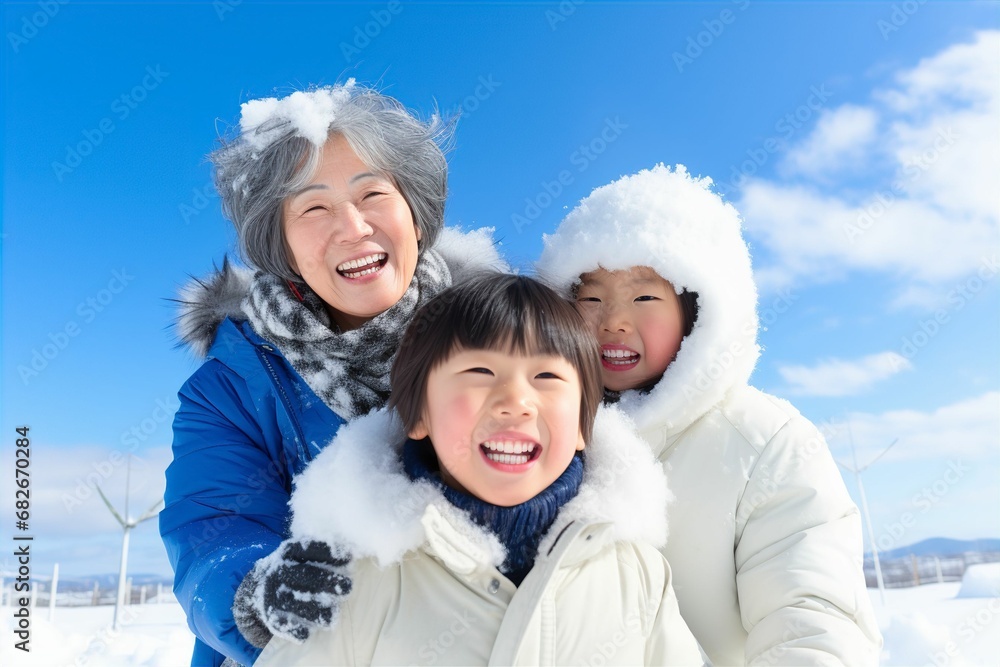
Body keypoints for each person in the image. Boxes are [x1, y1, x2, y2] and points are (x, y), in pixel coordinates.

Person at [159, 81, 505, 667]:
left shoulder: (510, 341)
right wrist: (254, 592)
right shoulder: (232, 387)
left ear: (416, 218)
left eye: (373, 194)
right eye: (313, 207)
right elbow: (212, 525)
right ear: (283, 248)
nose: (352, 227)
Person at [251, 273, 708, 666]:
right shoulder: (358, 575)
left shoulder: (636, 571)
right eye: (479, 373)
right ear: (419, 416)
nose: (515, 403)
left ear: (583, 426)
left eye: (547, 378)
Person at [537, 164, 883, 665]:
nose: (613, 320)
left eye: (644, 296)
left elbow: (812, 620)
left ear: (696, 311)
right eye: (590, 298)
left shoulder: (765, 441)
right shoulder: (533, 435)